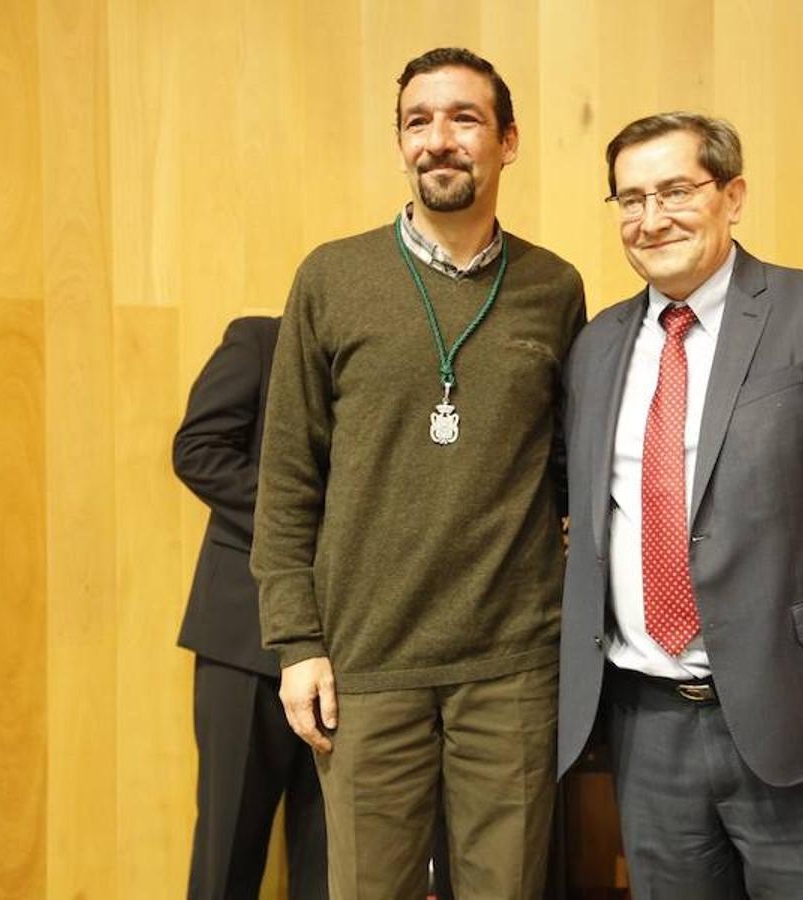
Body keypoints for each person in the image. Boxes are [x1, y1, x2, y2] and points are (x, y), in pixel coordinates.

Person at [557, 113, 803, 898]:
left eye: (675, 191)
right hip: (646, 722)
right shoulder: (596, 347)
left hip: (800, 717)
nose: (650, 219)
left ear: (734, 195)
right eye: (629, 199)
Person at [251, 47, 586, 900]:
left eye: (464, 119)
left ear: (508, 141)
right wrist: (298, 645)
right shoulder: (332, 277)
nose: (439, 140)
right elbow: (288, 478)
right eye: (418, 121)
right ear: (401, 143)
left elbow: (565, 469)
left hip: (512, 664)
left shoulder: (554, 288)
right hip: (366, 663)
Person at [173, 315, 328, 899]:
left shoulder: (382, 367)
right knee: (228, 851)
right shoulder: (260, 341)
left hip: (347, 656)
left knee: (329, 861)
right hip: (242, 643)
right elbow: (196, 449)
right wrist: (298, 519)